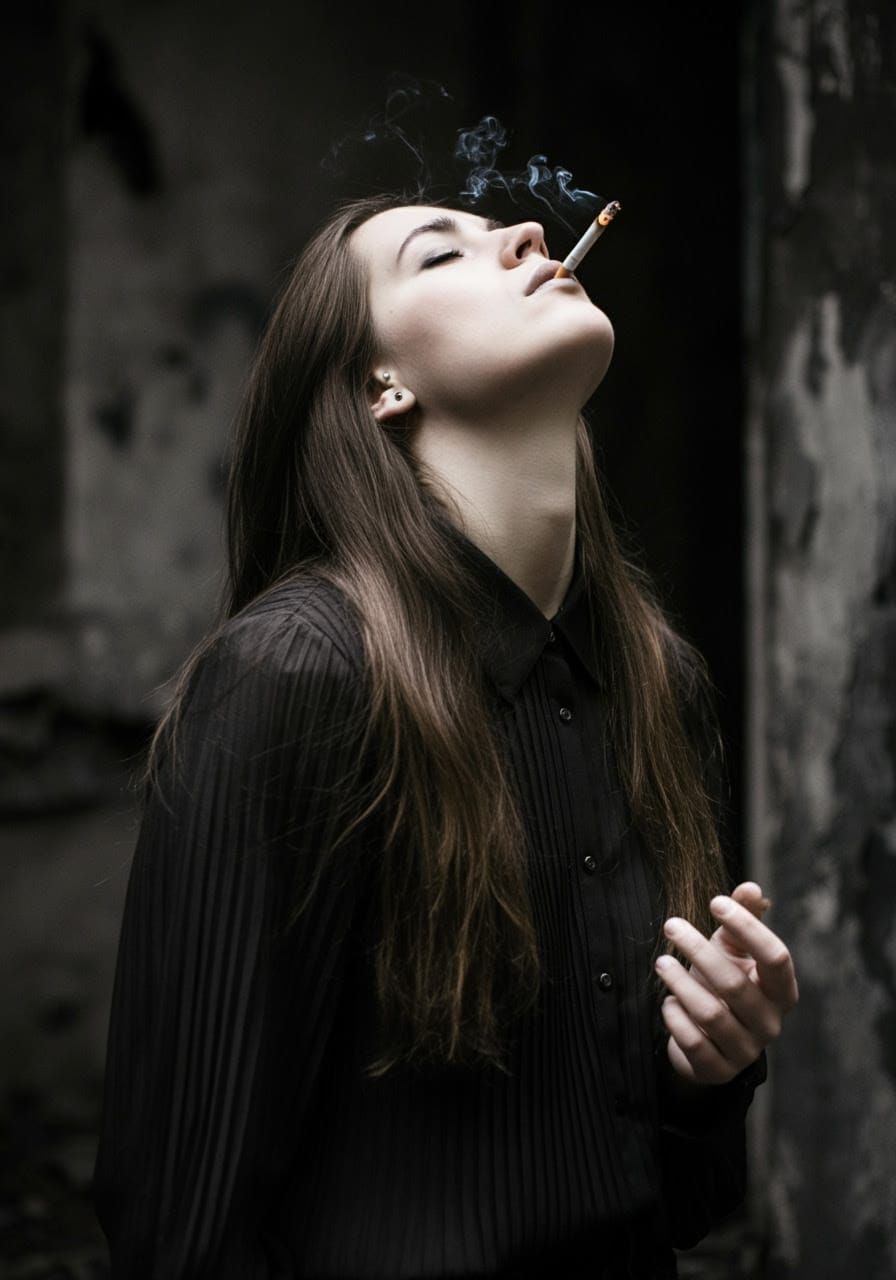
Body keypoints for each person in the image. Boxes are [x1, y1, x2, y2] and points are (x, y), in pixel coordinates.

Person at [92, 194, 799, 1278]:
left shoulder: (657, 682)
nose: (522, 234)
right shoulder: (295, 673)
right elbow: (182, 1222)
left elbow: (688, 1201)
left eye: (503, 227)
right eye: (442, 252)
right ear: (382, 386)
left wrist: (714, 1066)